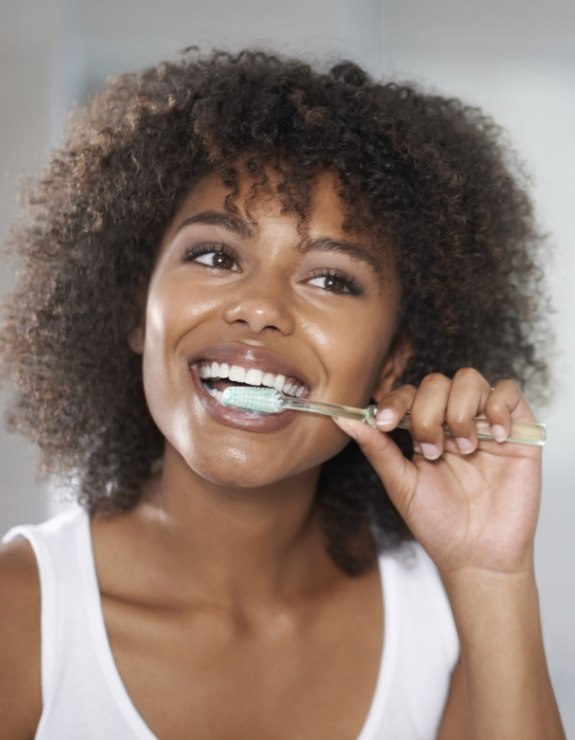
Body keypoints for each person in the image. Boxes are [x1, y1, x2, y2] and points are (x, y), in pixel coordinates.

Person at [0, 48, 565, 739]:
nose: (259, 307)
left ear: (392, 365)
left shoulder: (441, 618)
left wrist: (491, 577)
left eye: (331, 279)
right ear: (132, 311)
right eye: (214, 255)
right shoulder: (19, 613)